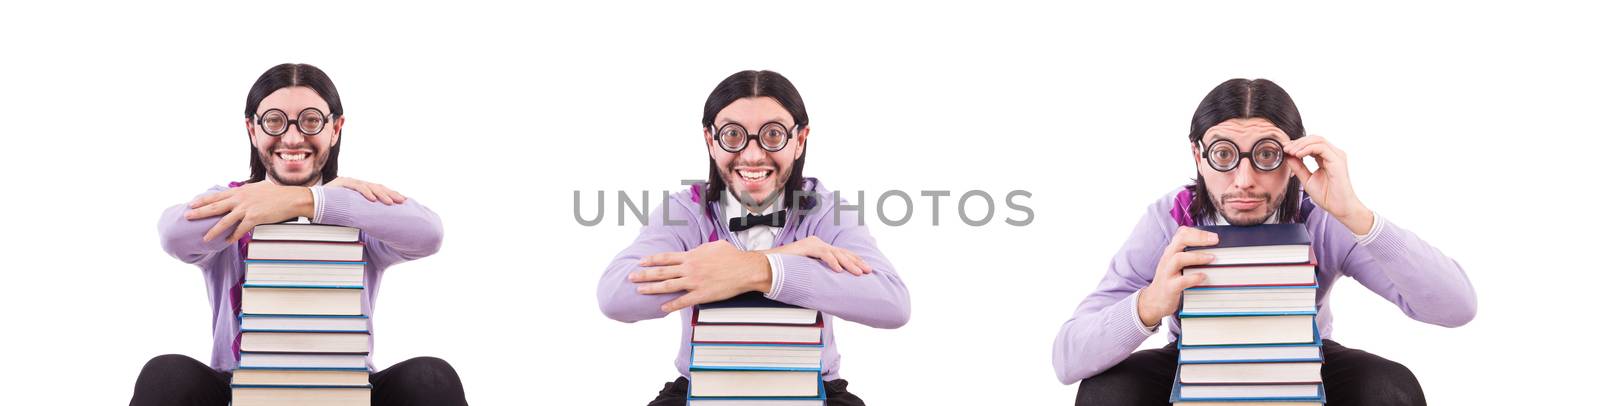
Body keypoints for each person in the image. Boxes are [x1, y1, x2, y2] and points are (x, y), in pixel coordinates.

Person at [1052, 78, 1476, 405]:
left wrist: (1356, 215)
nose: (1244, 180)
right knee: (1108, 390)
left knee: (1389, 387)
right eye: (1222, 155)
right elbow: (1068, 358)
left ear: (1294, 159)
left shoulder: (1325, 219)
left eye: (1267, 155)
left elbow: (1456, 308)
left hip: (1308, 362)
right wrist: (1148, 305)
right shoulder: (1168, 220)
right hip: (1191, 363)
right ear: (1198, 156)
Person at [131, 63, 467, 406]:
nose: (292, 138)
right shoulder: (234, 200)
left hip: (348, 388)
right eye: (274, 120)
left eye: (311, 120)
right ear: (252, 129)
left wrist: (309, 201)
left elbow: (429, 233)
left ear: (335, 129)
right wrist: (258, 202)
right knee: (166, 375)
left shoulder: (356, 206)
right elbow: (173, 235)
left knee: (432, 378)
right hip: (239, 388)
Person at [598, 70, 912, 406]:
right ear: (710, 139)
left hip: (814, 388)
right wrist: (788, 255)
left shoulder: (826, 211)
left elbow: (891, 303)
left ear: (800, 139)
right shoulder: (685, 211)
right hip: (701, 387)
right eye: (733, 134)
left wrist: (758, 271)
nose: (752, 155)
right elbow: (615, 296)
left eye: (773, 134)